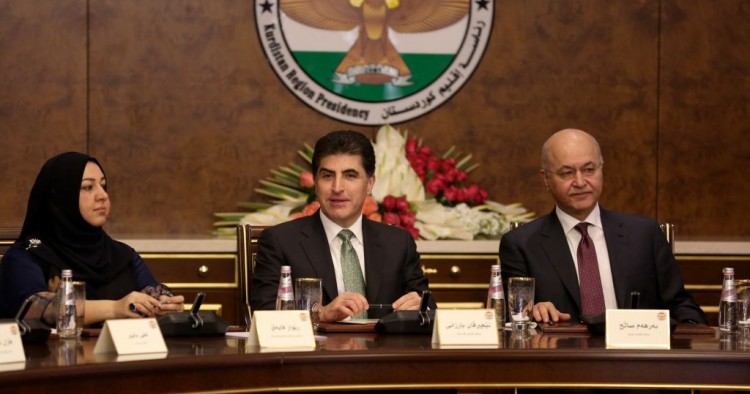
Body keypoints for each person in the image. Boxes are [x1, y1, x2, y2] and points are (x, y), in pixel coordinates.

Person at [500, 128, 706, 325]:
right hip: (561, 357)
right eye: (567, 173)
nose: (580, 181)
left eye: (589, 169)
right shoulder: (521, 244)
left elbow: (682, 307)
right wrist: (533, 311)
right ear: (545, 179)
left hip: (635, 356)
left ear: (601, 169)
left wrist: (687, 329)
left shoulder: (644, 234)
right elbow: (514, 319)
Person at [250, 130, 435, 322]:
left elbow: (429, 309)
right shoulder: (281, 241)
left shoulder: (398, 243)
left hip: (382, 351)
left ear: (370, 183)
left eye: (350, 175)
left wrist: (420, 306)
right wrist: (319, 315)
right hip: (315, 351)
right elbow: (264, 314)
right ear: (315, 182)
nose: (337, 187)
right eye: (327, 176)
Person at [0, 152, 184, 325]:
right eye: (88, 187)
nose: (103, 195)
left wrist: (164, 304)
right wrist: (115, 308)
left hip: (125, 356)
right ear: (61, 197)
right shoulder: (26, 255)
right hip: (52, 357)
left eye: (103, 186)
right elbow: (35, 308)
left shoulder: (122, 255)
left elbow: (151, 291)